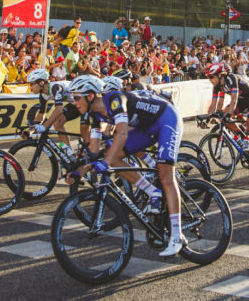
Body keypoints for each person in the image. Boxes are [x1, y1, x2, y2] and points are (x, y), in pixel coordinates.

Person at [67, 74, 187, 257]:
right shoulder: (93, 114)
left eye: (76, 98)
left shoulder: (114, 100)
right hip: (146, 127)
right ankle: (152, 191)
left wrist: (104, 163)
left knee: (165, 175)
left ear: (90, 96)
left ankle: (177, 236)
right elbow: (94, 149)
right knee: (113, 157)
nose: (74, 102)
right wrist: (79, 170)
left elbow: (122, 133)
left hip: (167, 119)